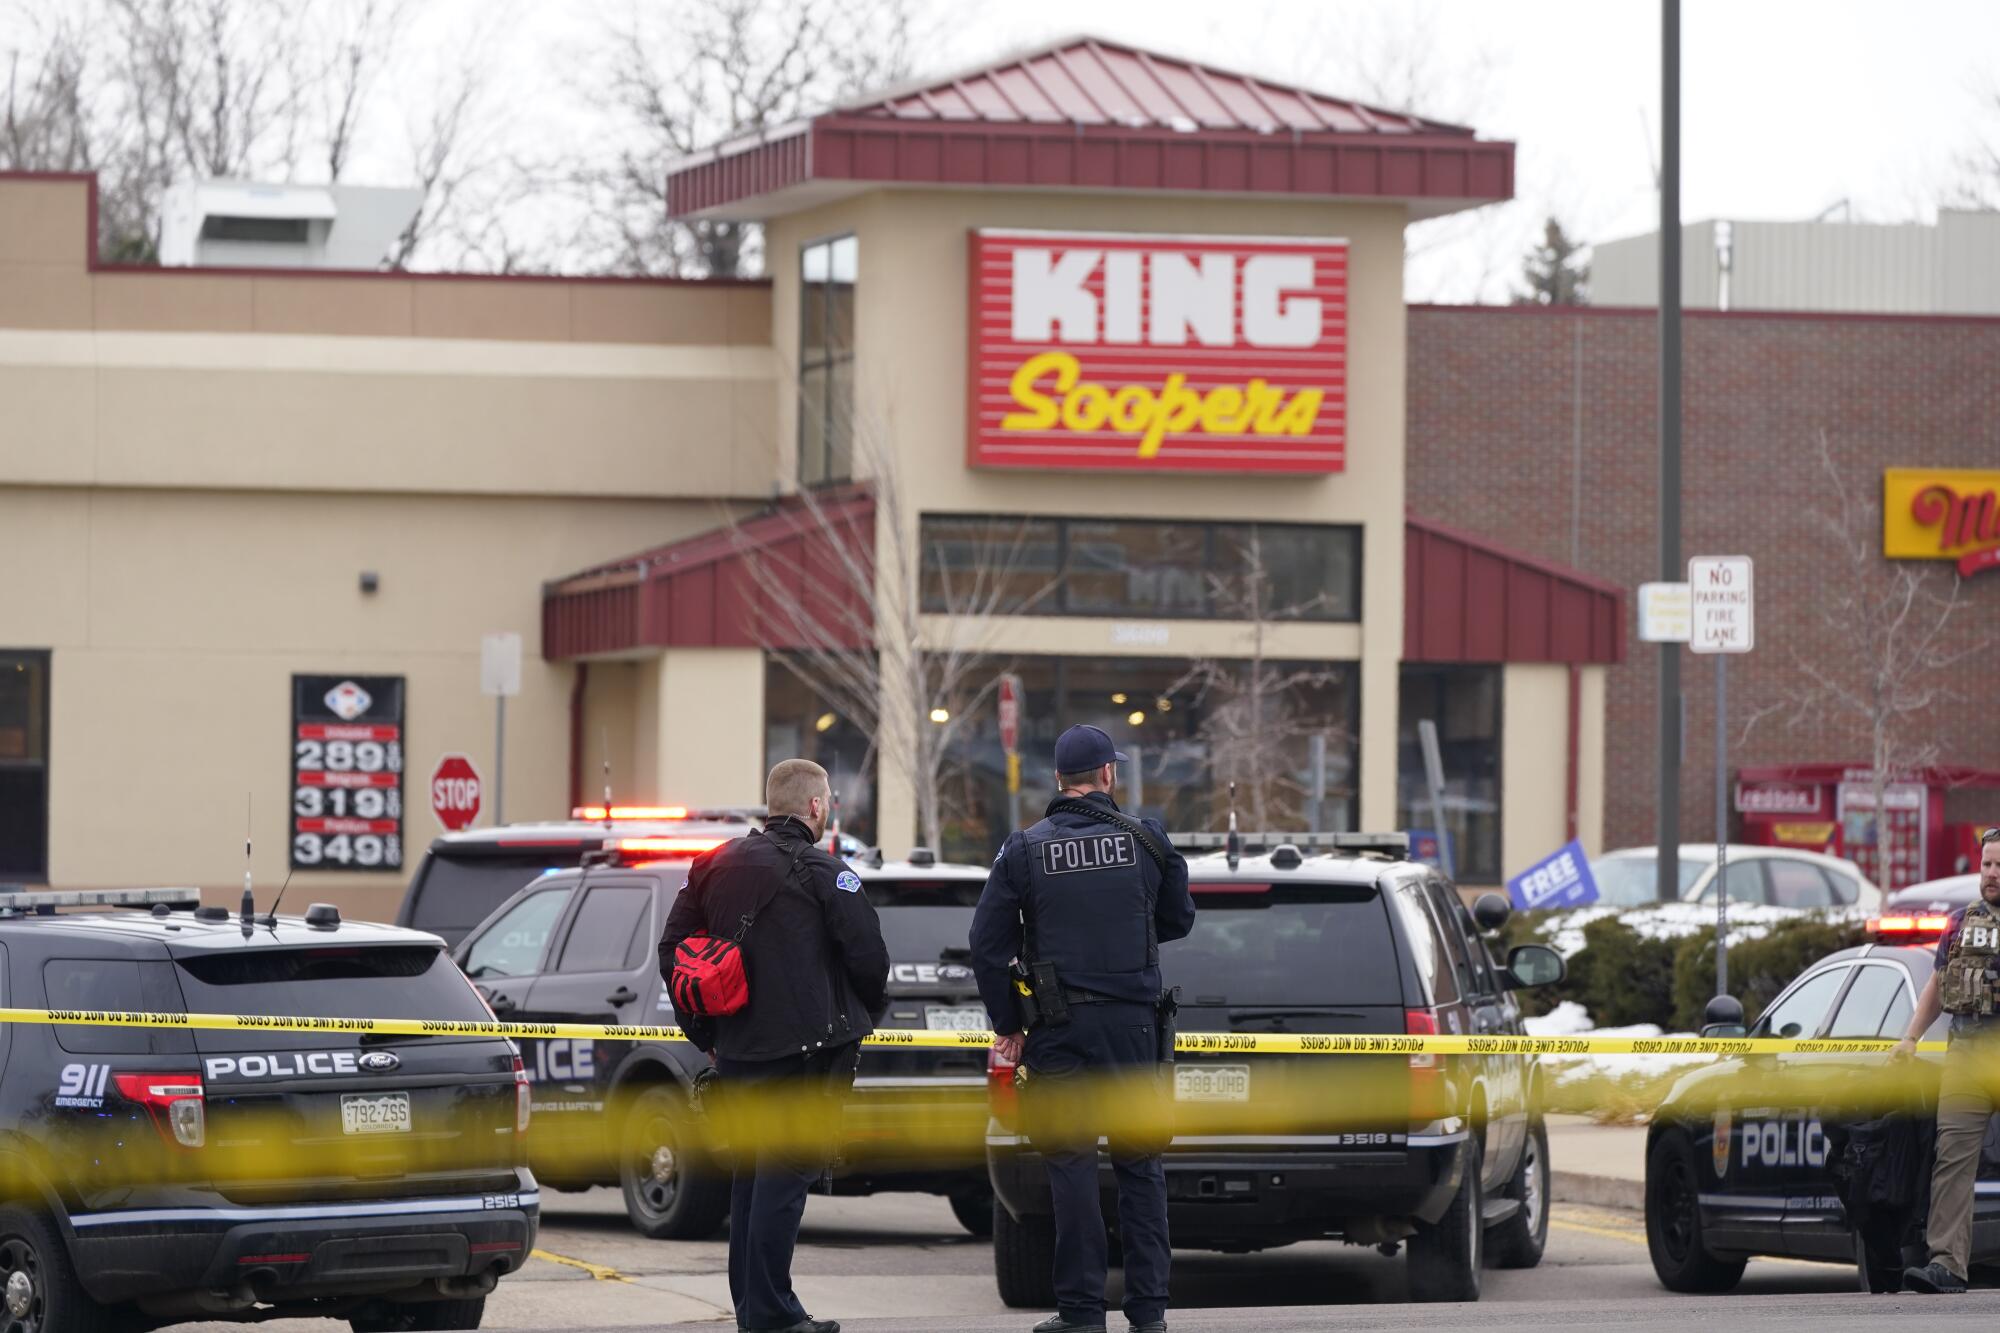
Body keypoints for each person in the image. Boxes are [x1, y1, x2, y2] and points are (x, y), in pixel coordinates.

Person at [969, 724, 1196, 1333]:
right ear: (1108, 776)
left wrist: (1008, 1023)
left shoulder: (1024, 848)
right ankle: (1148, 1314)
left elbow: (986, 945)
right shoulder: (1147, 841)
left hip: (1059, 1028)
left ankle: (1081, 1313)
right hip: (1133, 1031)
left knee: (1069, 1168)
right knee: (1141, 1168)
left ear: (1058, 782)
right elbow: (1178, 920)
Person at [660, 759, 889, 1333]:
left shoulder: (713, 865)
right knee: (784, 1182)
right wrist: (860, 1018)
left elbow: (672, 952)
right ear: (815, 807)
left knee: (752, 1180)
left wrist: (709, 1035)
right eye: (828, 799)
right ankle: (772, 1313)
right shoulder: (827, 872)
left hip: (737, 1055)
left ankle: (754, 1308)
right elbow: (870, 960)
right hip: (806, 1058)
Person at [1894, 827, 2000, 1294]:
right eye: (1986, 865)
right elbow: (1938, 984)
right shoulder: (1961, 922)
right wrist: (1911, 1038)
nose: (1992, 874)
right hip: (1966, 1053)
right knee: (1952, 1159)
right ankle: (1947, 1265)